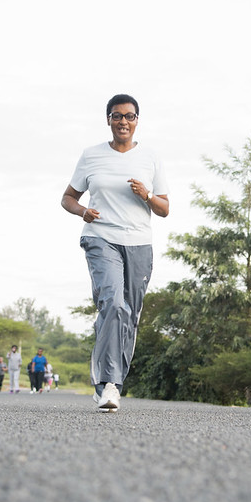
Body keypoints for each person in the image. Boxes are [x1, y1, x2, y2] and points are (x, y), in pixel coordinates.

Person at [61, 93, 169, 412]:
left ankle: (111, 377)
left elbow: (164, 208)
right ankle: (109, 384)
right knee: (113, 303)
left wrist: (146, 194)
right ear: (108, 119)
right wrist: (83, 211)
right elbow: (68, 198)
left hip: (139, 243)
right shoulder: (91, 155)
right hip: (100, 237)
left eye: (129, 116)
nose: (123, 121)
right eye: (117, 116)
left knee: (128, 315)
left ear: (137, 121)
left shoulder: (150, 157)